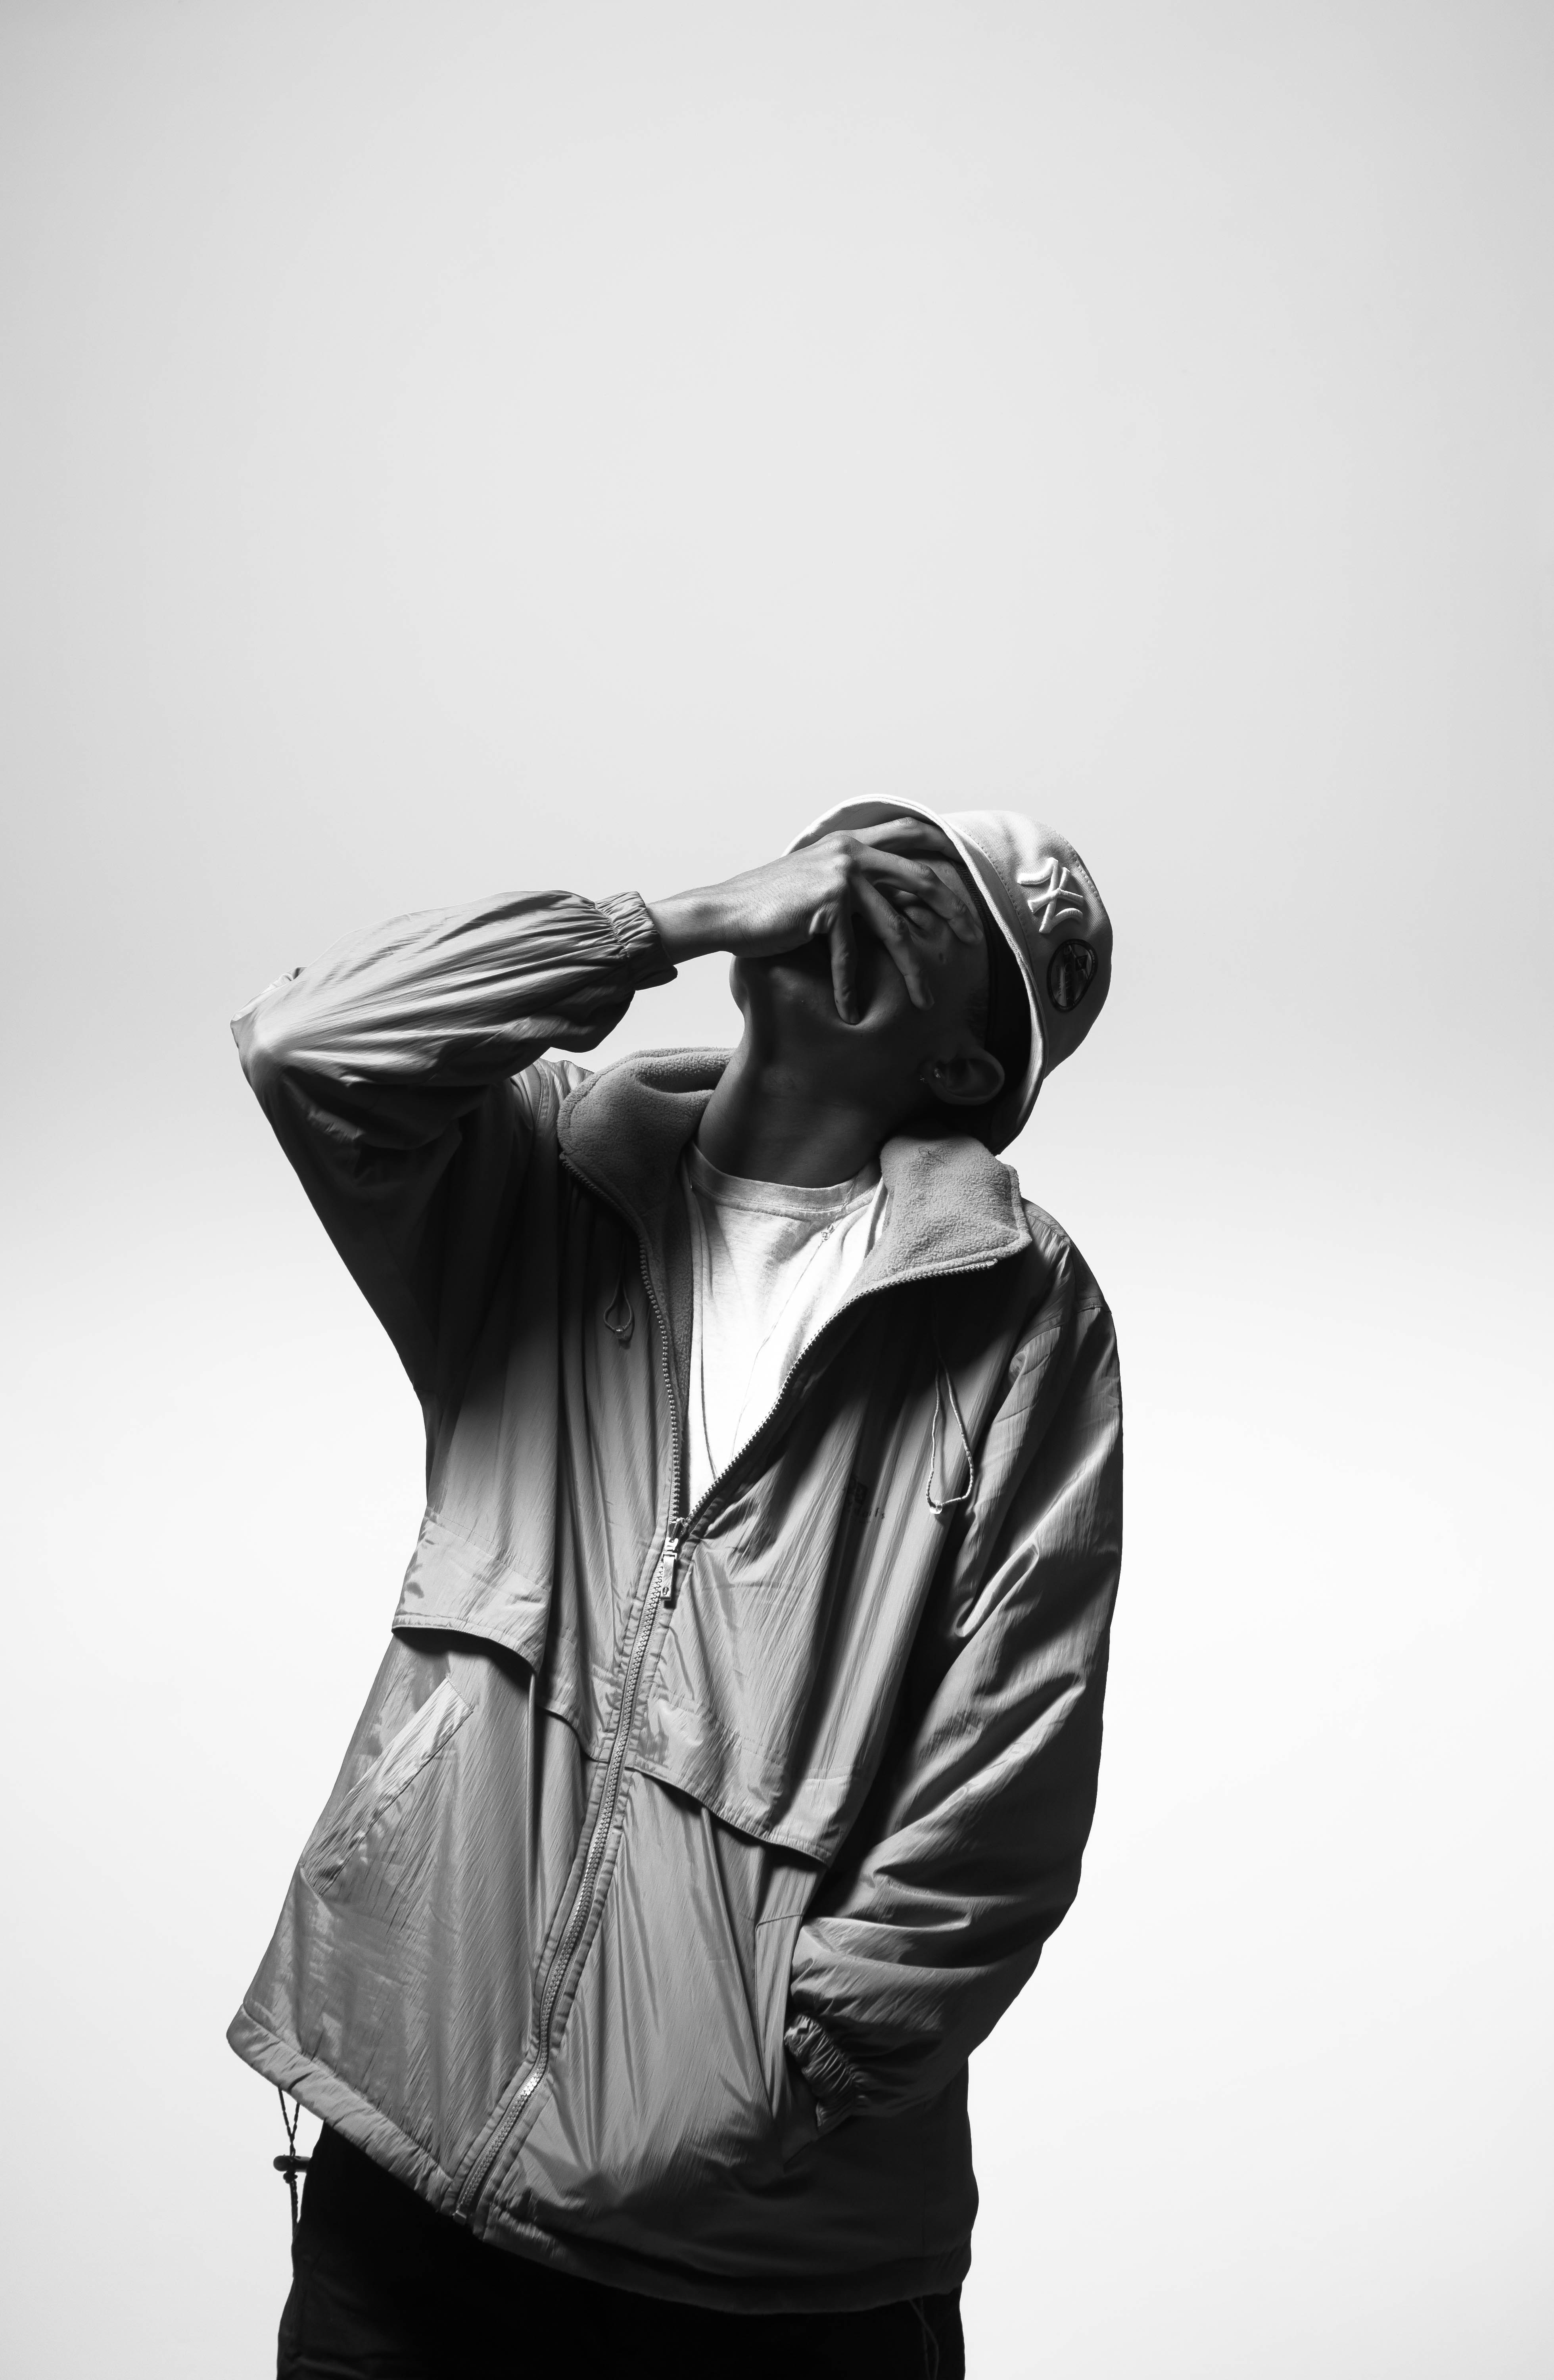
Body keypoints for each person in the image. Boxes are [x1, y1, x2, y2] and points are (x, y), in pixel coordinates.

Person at [230, 800, 1123, 2380]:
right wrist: (664, 924)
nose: (856, 885)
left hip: (764, 2258)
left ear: (965, 1070)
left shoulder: (1013, 1306)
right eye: (853, 846)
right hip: (413, 2179)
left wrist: (786, 2083)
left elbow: (1013, 1745)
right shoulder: (543, 1178)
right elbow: (315, 1046)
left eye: (923, 902)